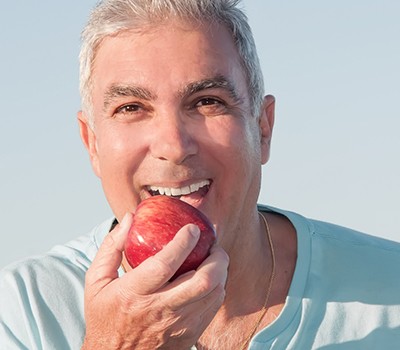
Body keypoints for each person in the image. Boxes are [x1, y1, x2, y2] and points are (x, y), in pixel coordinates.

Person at [1, 0, 400, 348]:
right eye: (131, 108)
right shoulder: (23, 309)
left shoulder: (391, 288)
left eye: (207, 101)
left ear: (262, 129)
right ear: (92, 144)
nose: (172, 145)